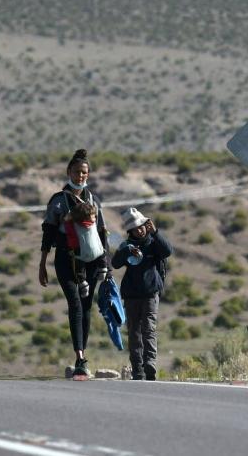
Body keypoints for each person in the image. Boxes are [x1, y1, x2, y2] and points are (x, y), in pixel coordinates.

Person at [39, 149, 111, 377]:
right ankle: (80, 357)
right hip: (65, 260)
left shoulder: (94, 200)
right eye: (77, 171)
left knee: (87, 306)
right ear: (69, 171)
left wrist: (105, 264)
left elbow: (102, 234)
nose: (81, 175)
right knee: (75, 305)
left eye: (85, 172)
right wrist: (42, 263)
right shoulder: (59, 201)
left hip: (90, 261)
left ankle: (83, 354)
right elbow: (48, 232)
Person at [111, 207, 172, 381]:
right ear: (130, 231)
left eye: (142, 226)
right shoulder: (126, 245)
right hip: (131, 294)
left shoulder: (154, 242)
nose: (140, 230)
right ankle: (138, 368)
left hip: (151, 292)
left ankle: (150, 363)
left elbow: (168, 251)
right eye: (136, 228)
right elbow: (115, 263)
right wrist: (126, 252)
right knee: (134, 332)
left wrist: (156, 233)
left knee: (149, 328)